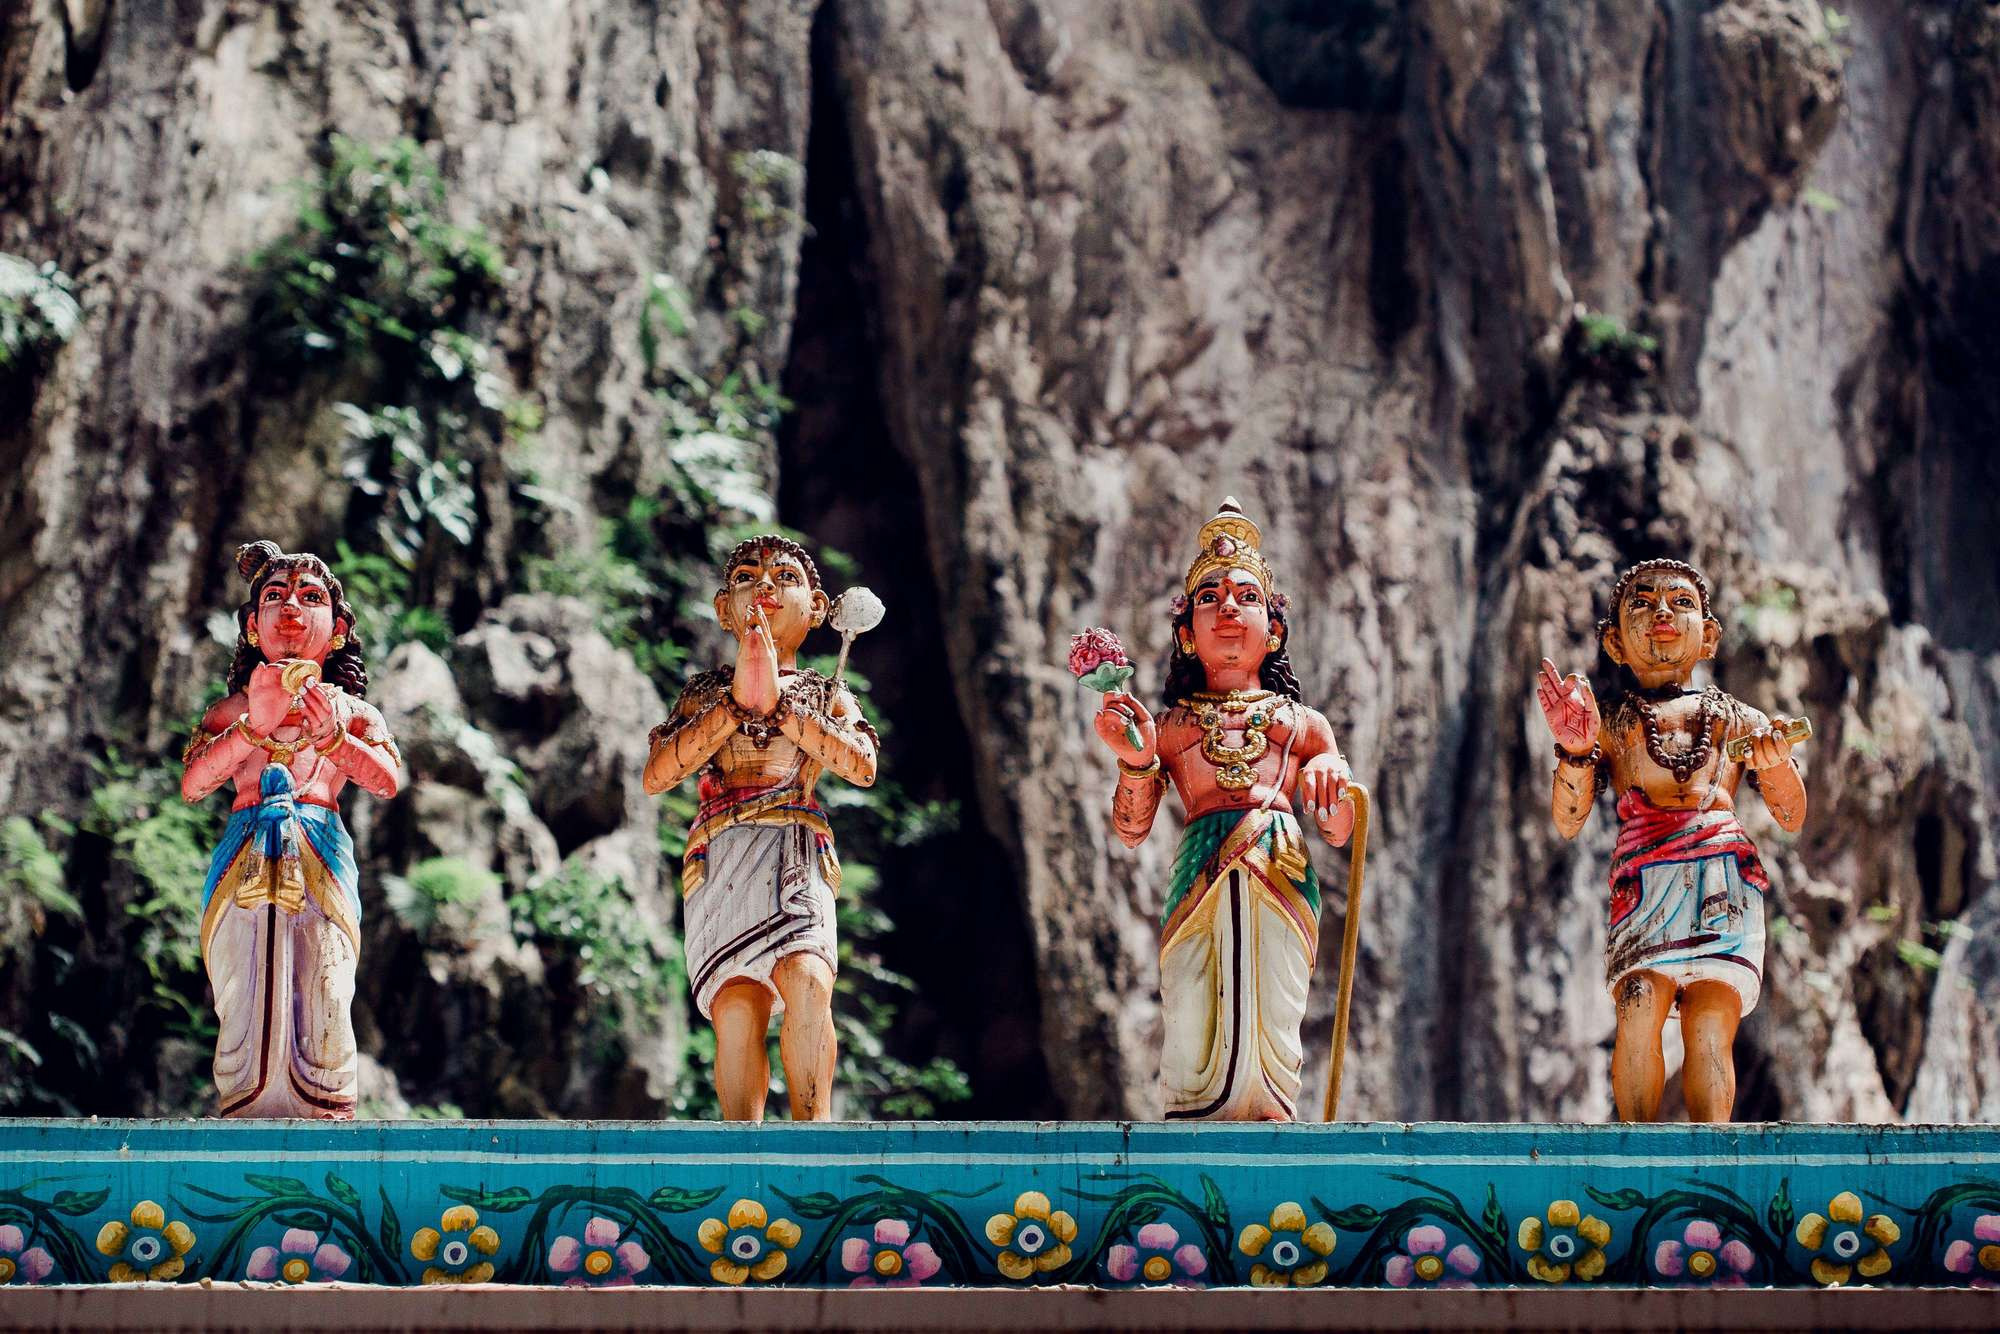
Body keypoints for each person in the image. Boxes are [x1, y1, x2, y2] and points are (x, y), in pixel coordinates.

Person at [1094, 500, 1354, 1121]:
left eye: (1245, 596)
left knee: (1275, 1004)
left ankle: (1271, 1114)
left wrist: (1331, 774)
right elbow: (1131, 829)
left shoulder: (1302, 725)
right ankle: (1192, 1116)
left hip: (1281, 865)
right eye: (1209, 599)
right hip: (1200, 867)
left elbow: (1341, 830)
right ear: (1187, 633)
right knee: (1191, 1003)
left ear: (1275, 629)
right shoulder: (1172, 728)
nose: (1229, 609)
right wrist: (1133, 762)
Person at [1537, 558, 1806, 1122]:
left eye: (1680, 603)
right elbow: (1567, 820)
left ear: (1708, 635)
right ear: (1615, 643)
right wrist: (1574, 752)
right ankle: (1636, 1144)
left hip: (1723, 875)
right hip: (1645, 877)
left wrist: (1776, 764)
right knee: (1638, 1002)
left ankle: (1712, 1152)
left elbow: (1790, 813)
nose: (1661, 612)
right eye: (1643, 603)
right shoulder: (1610, 723)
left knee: (1711, 1019)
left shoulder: (1735, 717)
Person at [643, 535, 878, 1120]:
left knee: (807, 979)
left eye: (785, 578)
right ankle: (740, 1141)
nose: (766, 587)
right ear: (725, 607)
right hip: (721, 851)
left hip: (796, 846)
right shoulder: (703, 693)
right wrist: (735, 703)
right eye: (749, 576)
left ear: (818, 610)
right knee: (738, 1006)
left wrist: (784, 708)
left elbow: (863, 765)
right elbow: (658, 773)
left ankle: (813, 1125)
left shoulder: (826, 692)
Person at [180, 541, 405, 1117]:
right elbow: (195, 784)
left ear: (336, 630)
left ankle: (326, 1111)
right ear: (253, 627)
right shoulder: (231, 711)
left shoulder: (352, 711)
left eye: (311, 598)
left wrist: (333, 738)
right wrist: (255, 725)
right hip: (246, 851)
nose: (291, 611)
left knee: (327, 992)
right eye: (275, 598)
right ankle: (244, 1108)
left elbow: (386, 781)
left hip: (320, 852)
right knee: (242, 994)